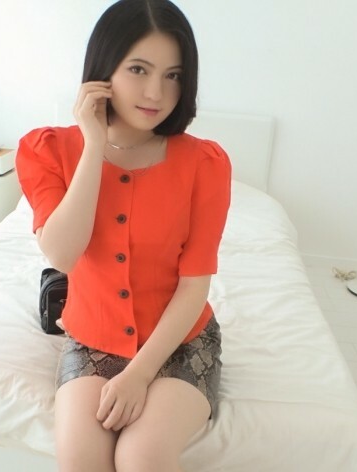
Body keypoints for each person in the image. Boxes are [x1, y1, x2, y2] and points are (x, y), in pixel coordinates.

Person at [16, 1, 231, 470]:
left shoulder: (205, 164)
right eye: (138, 69)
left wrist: (139, 375)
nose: (156, 92)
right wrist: (94, 144)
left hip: (181, 341)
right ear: (103, 68)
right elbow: (62, 254)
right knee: (81, 460)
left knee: (142, 457)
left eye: (173, 75)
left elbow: (194, 285)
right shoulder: (47, 149)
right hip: (92, 337)